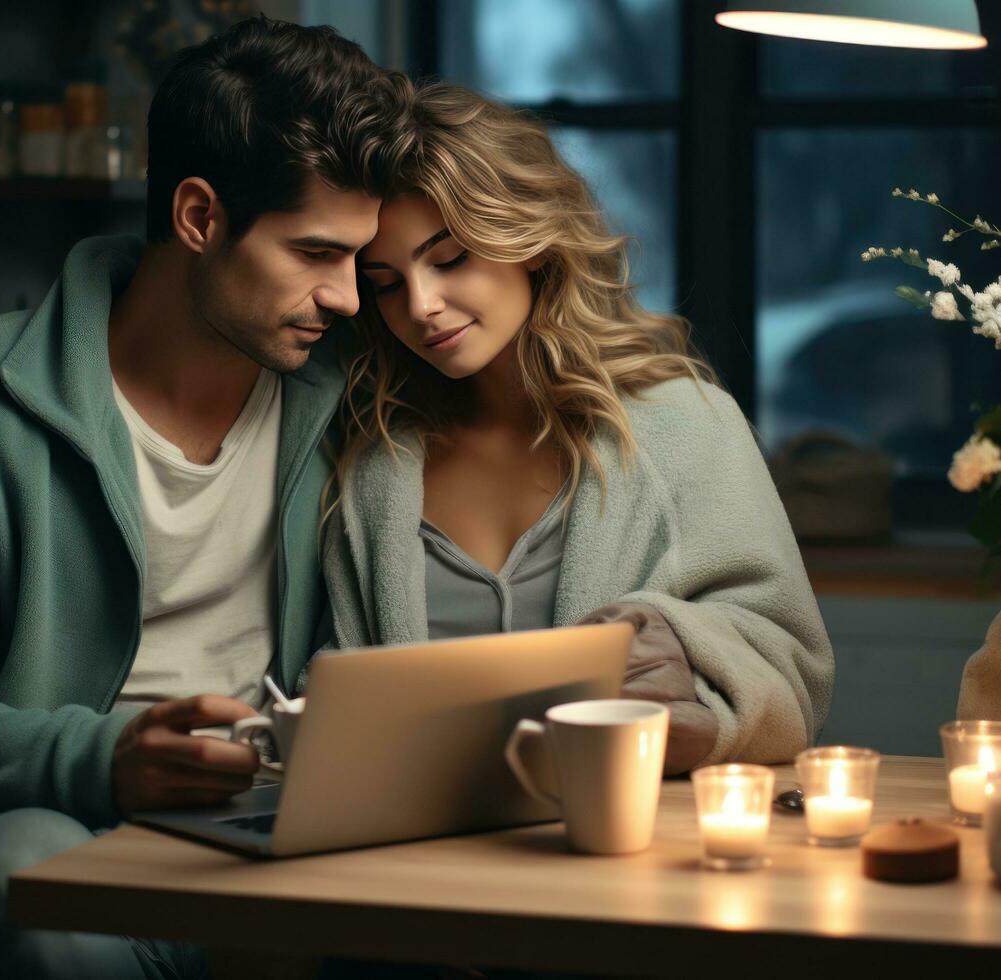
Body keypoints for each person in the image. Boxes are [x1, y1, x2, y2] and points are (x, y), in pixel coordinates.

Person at [0, 17, 411, 979]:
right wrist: (103, 760)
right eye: (314, 253)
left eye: (359, 258)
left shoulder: (355, 390)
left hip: (279, 857)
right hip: (55, 843)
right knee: (19, 866)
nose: (349, 297)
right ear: (198, 218)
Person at [323, 82, 834, 772]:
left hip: (628, 847)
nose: (420, 306)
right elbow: (324, 691)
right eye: (384, 282)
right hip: (407, 856)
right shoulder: (368, 460)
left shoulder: (682, 425)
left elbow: (790, 666)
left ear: (529, 243)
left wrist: (676, 658)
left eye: (449, 260)